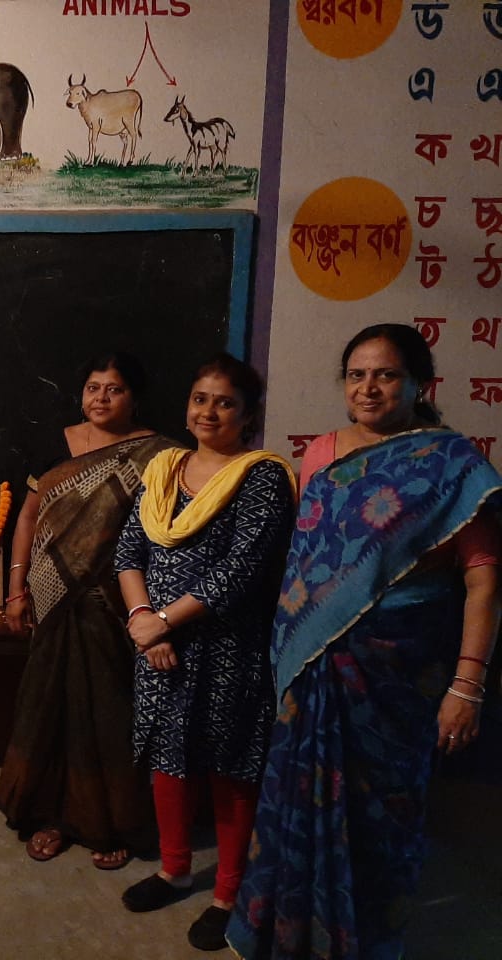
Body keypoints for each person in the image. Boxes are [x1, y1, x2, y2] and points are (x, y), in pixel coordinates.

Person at [227, 324, 502, 960]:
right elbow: (310, 564)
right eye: (356, 375)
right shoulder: (321, 453)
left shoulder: (453, 465)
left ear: (419, 384)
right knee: (293, 800)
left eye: (386, 375)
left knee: (384, 816)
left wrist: (467, 686)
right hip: (312, 665)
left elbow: (484, 582)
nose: (368, 388)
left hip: (400, 671)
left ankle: (366, 942)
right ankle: (286, 935)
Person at [114, 353, 296, 952]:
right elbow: (128, 552)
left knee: (229, 767)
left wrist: (163, 621)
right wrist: (144, 621)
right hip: (158, 644)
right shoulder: (165, 469)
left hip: (227, 648)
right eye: (200, 399)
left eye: (224, 402)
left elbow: (240, 572)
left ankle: (227, 895)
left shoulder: (261, 477)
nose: (208, 412)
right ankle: (174, 870)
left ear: (248, 414)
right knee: (169, 757)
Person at [0, 352, 178, 871]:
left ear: (134, 398)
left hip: (115, 600)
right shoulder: (57, 443)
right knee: (49, 705)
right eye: (93, 387)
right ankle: (51, 817)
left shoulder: (158, 454)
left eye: (114, 389)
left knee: (107, 710)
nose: (101, 398)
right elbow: (28, 517)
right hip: (51, 595)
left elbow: (161, 533)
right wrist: (16, 588)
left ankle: (108, 822)